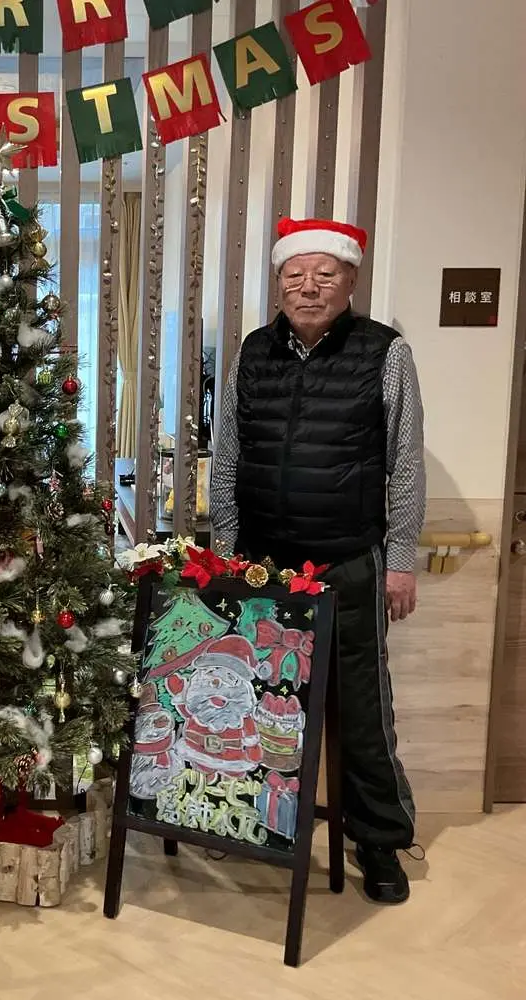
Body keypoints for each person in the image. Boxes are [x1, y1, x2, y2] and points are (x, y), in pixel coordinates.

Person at [210, 217, 425, 904]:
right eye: (295, 275)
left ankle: (380, 840)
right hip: (264, 567)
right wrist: (224, 552)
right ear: (279, 283)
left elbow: (405, 464)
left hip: (347, 564)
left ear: (350, 280)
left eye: (324, 274)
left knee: (361, 711)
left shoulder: (384, 352)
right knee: (257, 700)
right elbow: (228, 457)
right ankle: (251, 819)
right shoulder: (253, 351)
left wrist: (400, 559)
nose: (308, 287)